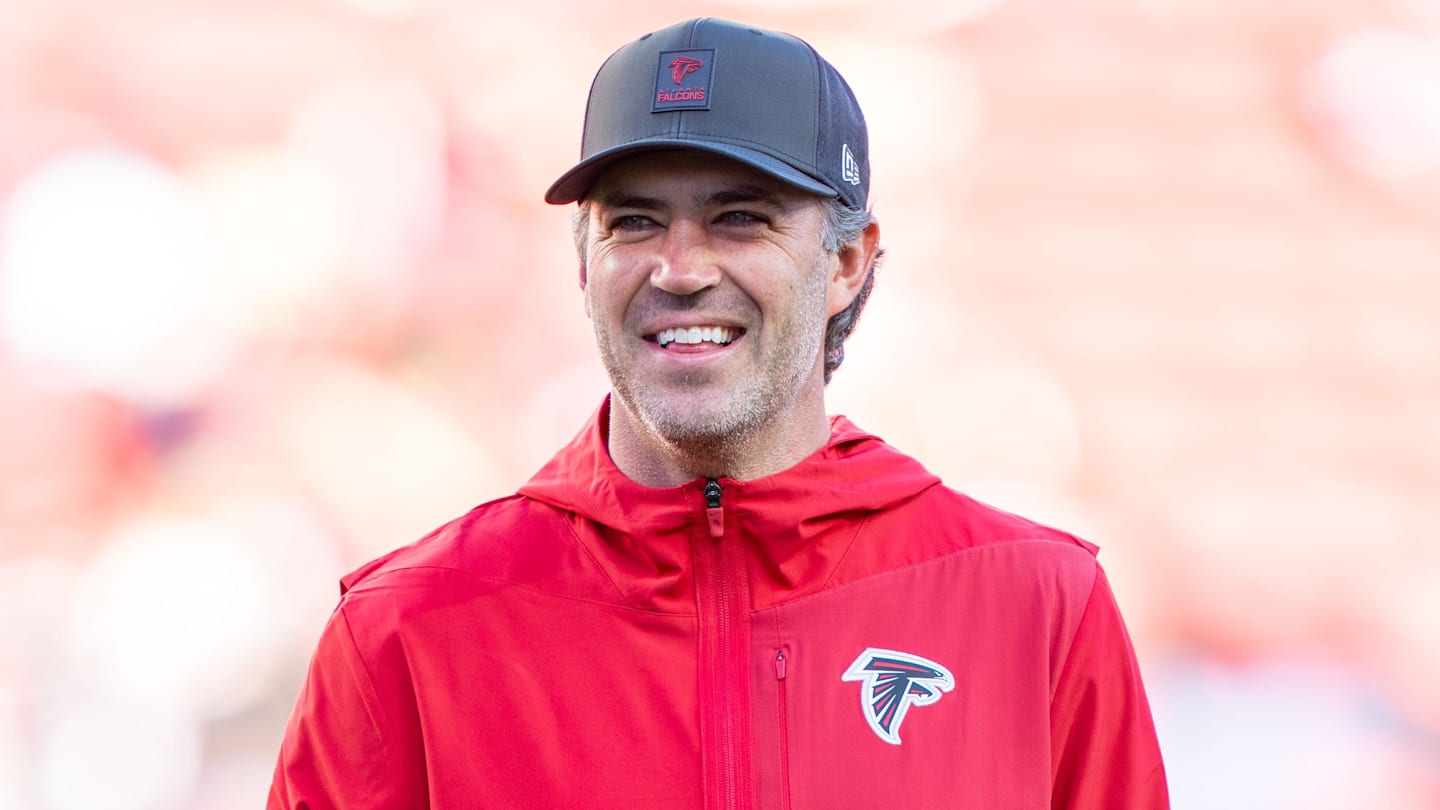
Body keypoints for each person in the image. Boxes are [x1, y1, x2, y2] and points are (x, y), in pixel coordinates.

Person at [268, 17, 1169, 810]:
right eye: (634, 222)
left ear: (849, 262)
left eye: (740, 218)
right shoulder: (410, 629)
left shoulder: (1034, 605)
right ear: (583, 261)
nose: (681, 268)